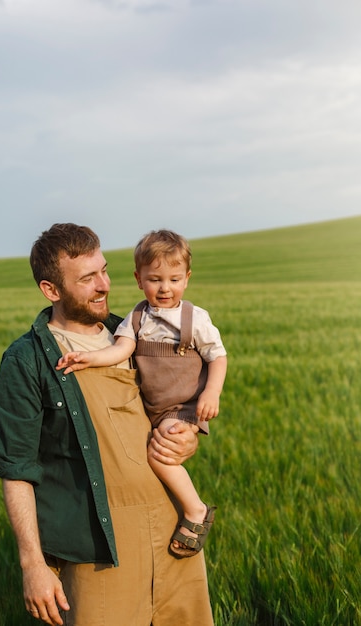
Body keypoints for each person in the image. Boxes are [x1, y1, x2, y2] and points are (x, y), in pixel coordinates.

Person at [0, 223, 215, 626]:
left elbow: (177, 400)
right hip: (98, 546)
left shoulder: (136, 334)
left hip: (171, 530)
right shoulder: (27, 360)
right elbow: (16, 468)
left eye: (104, 270)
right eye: (88, 278)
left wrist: (188, 436)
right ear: (51, 290)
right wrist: (32, 564)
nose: (104, 285)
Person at [57, 229, 227, 558]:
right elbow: (120, 350)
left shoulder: (195, 318)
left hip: (184, 405)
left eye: (174, 279)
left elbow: (217, 357)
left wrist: (212, 394)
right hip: (153, 407)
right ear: (138, 279)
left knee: (159, 453)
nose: (165, 288)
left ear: (187, 279)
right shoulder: (136, 318)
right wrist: (89, 358)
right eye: (155, 279)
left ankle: (195, 510)